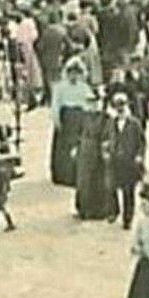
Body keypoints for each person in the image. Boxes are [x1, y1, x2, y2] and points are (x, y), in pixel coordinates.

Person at [73, 90, 117, 222]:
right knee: (83, 181)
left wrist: (106, 149)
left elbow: (109, 135)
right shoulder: (84, 117)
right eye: (90, 102)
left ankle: (99, 211)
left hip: (98, 151)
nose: (92, 105)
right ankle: (83, 210)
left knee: (98, 181)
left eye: (95, 102)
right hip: (84, 152)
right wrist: (76, 146)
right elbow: (78, 133)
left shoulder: (105, 118)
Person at [104, 91, 144, 230]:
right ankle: (114, 211)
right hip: (114, 161)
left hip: (129, 162)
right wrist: (106, 152)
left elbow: (141, 142)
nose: (120, 109)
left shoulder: (134, 123)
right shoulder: (111, 123)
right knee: (111, 188)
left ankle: (128, 218)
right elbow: (105, 139)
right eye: (117, 106)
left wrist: (139, 156)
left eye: (122, 105)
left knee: (128, 192)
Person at [47, 57, 90, 187]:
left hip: (79, 120)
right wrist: (56, 120)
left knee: (78, 146)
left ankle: (76, 174)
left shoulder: (84, 87)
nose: (74, 76)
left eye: (76, 73)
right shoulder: (60, 87)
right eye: (71, 73)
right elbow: (56, 104)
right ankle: (62, 175)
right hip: (66, 119)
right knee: (63, 150)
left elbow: (89, 102)